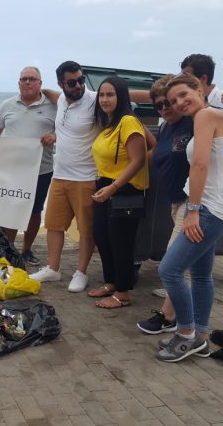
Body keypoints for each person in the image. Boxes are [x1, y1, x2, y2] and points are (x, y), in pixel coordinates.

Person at [156, 73, 223, 362]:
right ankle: (201, 337)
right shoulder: (219, 114)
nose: (179, 103)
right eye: (173, 100)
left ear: (200, 88)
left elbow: (200, 163)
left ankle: (186, 334)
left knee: (169, 271)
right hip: (222, 208)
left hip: (208, 209)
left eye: (184, 95)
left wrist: (192, 211)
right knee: (202, 275)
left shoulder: (204, 116)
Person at [29, 61, 97, 293]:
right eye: (72, 82)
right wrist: (37, 89)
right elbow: (51, 93)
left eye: (81, 80)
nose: (78, 85)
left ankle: (81, 272)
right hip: (60, 175)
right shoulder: (59, 100)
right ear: (61, 84)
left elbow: (126, 94)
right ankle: (53, 268)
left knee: (86, 230)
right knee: (54, 225)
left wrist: (162, 92)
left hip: (87, 177)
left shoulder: (94, 99)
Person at [135, 75, 193, 331]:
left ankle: (171, 317)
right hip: (174, 202)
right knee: (192, 267)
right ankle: (192, 322)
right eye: (159, 105)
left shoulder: (193, 123)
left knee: (173, 264)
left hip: (193, 202)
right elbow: (156, 153)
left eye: (168, 103)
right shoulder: (167, 128)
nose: (165, 109)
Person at [88, 76, 149, 309]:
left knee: (120, 242)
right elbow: (151, 144)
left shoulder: (128, 121)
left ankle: (123, 293)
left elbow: (139, 158)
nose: (104, 99)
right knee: (102, 237)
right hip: (105, 184)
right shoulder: (110, 123)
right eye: (102, 95)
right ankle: (111, 282)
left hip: (124, 189)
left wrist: (114, 187)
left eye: (110, 94)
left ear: (121, 96)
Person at [0, 66, 56, 267]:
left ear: (40, 83)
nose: (27, 82)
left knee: (35, 211)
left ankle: (26, 249)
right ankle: (9, 248)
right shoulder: (7, 105)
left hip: (41, 169)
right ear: (18, 83)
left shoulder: (54, 106)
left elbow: (67, 131)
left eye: (32, 79)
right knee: (10, 209)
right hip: (12, 170)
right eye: (24, 79)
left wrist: (55, 136)